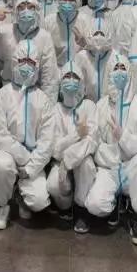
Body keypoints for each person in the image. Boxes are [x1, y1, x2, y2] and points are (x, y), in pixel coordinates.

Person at [84, 53, 137, 245]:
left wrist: (123, 137)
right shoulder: (101, 105)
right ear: (109, 73)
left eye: (123, 68)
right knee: (95, 205)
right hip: (109, 168)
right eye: (115, 68)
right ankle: (114, 203)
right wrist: (114, 156)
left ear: (130, 73)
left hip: (131, 168)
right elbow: (95, 144)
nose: (120, 72)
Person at [0, 39, 56, 229]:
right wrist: (22, 156)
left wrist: (31, 167)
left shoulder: (43, 100)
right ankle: (2, 206)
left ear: (37, 66)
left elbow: (47, 142)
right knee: (1, 165)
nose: (26, 66)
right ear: (14, 62)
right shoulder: (2, 95)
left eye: (31, 62)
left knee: (39, 202)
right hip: (8, 153)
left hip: (33, 160)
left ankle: (20, 196)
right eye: (22, 61)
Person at [46, 60, 98, 233]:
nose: (70, 80)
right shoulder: (56, 109)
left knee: (87, 166)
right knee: (53, 185)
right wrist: (76, 134)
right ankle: (66, 207)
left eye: (75, 77)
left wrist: (68, 159)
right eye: (66, 76)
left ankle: (81, 210)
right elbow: (54, 149)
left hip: (80, 160)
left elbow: (91, 141)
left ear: (82, 82)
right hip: (59, 162)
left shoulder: (89, 106)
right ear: (60, 82)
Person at [0, 0, 59, 102]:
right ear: (16, 10)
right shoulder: (5, 32)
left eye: (30, 7)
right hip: (8, 95)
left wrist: (47, 106)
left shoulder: (44, 38)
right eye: (21, 7)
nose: (26, 10)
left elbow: (50, 79)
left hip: (34, 97)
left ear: (37, 10)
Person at [44, 0, 91, 68]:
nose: (67, 2)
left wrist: (85, 43)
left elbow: (93, 50)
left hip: (79, 69)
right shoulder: (49, 21)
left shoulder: (85, 20)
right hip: (57, 68)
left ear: (77, 1)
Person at [76, 17, 114, 102]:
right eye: (96, 33)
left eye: (102, 34)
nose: (98, 37)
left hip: (107, 105)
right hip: (87, 104)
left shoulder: (114, 56)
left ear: (108, 34)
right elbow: (78, 84)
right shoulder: (82, 57)